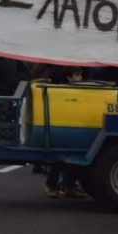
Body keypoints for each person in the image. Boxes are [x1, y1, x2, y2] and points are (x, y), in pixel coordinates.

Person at [43, 66, 88, 199]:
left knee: (74, 159)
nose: (80, 78)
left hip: (77, 127)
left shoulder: (80, 91)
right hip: (64, 127)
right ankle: (51, 185)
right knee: (60, 159)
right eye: (77, 76)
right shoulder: (63, 91)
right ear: (69, 78)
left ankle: (70, 186)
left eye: (80, 75)